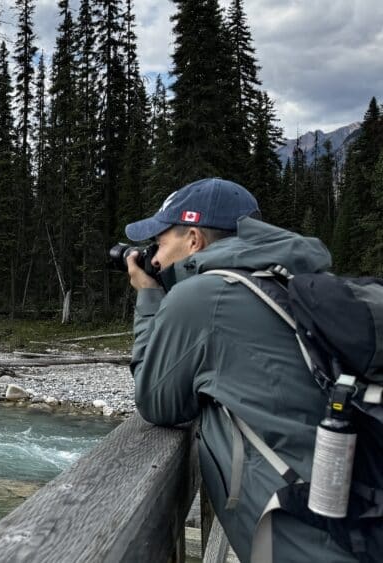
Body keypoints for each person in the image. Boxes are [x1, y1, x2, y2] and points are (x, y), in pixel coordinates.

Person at [124, 177, 358, 562]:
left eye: (160, 244)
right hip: (352, 519)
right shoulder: (294, 281)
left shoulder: (201, 297)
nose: (153, 259)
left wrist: (150, 295)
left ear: (194, 240)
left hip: (306, 541)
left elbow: (155, 400)